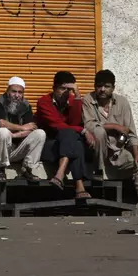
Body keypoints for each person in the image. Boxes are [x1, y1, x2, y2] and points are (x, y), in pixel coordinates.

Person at [82, 69, 138, 216]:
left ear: (113, 88)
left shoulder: (122, 102)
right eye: (99, 86)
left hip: (118, 154)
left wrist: (137, 154)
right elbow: (90, 125)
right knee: (99, 130)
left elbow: (131, 133)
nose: (102, 89)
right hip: (97, 157)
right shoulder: (88, 100)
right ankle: (99, 171)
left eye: (107, 86)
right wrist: (115, 126)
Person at [36, 71, 96, 199]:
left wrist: (78, 96)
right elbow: (57, 125)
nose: (65, 92)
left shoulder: (73, 100)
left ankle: (59, 175)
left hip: (67, 146)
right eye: (62, 88)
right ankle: (79, 186)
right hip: (50, 146)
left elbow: (75, 121)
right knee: (70, 135)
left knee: (73, 140)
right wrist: (82, 130)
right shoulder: (43, 102)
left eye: (68, 89)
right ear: (54, 88)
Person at [0, 76, 46, 183]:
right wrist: (22, 128)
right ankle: (1, 169)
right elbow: (2, 123)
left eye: (20, 92)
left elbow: (32, 128)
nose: (17, 95)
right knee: (3, 132)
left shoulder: (25, 106)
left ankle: (27, 169)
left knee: (40, 133)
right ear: (7, 91)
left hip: (15, 150)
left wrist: (14, 135)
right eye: (14, 91)